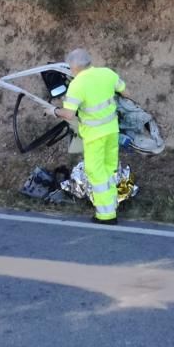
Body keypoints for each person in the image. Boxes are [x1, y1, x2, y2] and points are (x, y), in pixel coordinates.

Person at [54, 48, 128, 225]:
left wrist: (54, 111)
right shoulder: (107, 73)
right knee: (109, 169)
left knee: (96, 173)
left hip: (95, 136)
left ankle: (106, 215)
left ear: (74, 67)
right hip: (112, 131)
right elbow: (126, 93)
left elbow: (69, 114)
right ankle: (112, 204)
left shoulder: (77, 85)